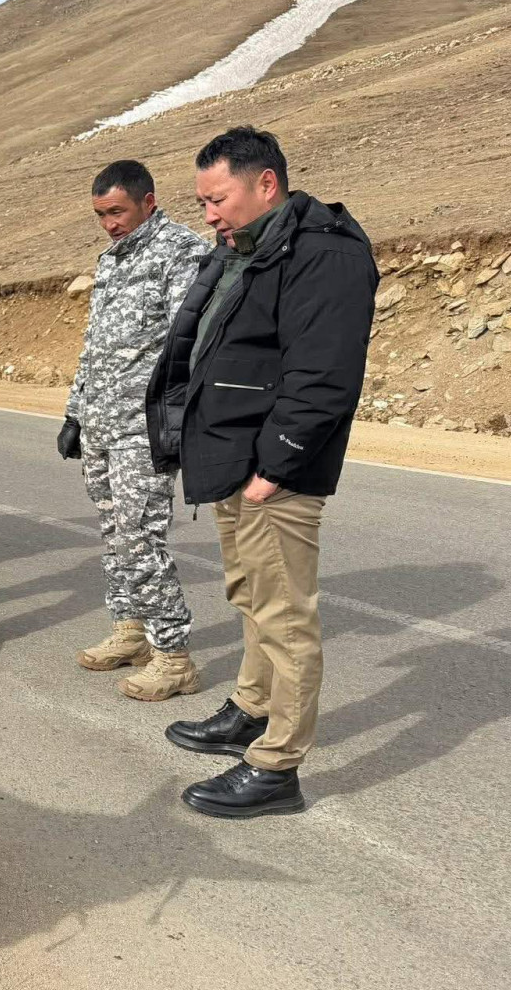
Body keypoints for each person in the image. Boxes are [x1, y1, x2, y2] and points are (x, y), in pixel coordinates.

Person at [147, 126, 378, 817]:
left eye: (217, 199)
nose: (208, 215)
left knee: (284, 618)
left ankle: (277, 766)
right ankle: (251, 708)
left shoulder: (324, 253)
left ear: (266, 184)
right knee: (252, 597)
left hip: (274, 473)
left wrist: (273, 468)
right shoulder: (246, 248)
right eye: (202, 202)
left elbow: (323, 375)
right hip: (235, 461)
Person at [60, 160, 209, 700]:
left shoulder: (181, 252)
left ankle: (173, 656)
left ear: (148, 201)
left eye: (117, 212)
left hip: (142, 429)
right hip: (101, 422)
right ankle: (130, 630)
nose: (109, 224)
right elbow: (96, 345)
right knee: (113, 533)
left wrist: (177, 420)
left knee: (140, 537)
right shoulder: (112, 259)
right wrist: (76, 412)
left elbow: (190, 344)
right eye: (101, 215)